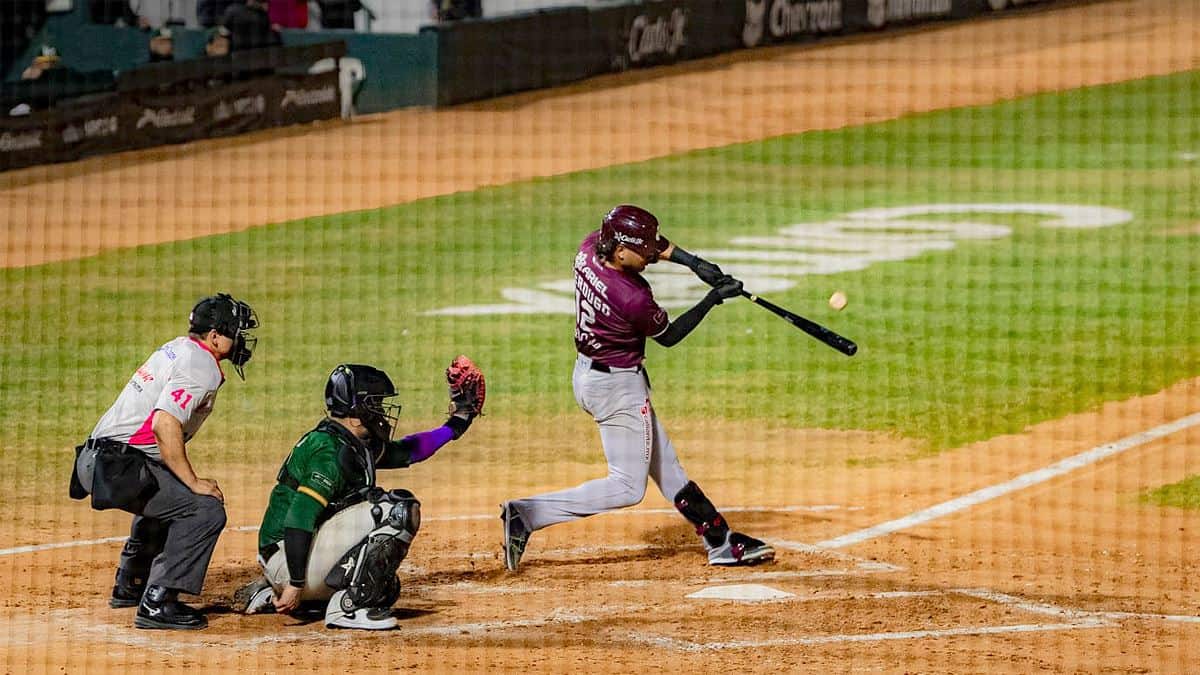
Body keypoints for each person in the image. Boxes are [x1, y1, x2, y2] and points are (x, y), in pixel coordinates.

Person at [500, 205, 775, 571]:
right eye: (642, 251)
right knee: (628, 487)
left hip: (590, 375)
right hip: (617, 390)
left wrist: (694, 264)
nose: (650, 256)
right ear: (620, 251)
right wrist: (712, 298)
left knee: (666, 465)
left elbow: (653, 245)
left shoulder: (588, 249)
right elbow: (671, 336)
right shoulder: (632, 297)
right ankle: (527, 514)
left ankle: (719, 540)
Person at [233, 358, 486, 630]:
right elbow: (299, 518)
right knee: (398, 510)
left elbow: (409, 451)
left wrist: (457, 422)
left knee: (385, 587)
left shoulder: (348, 441)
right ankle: (347, 610)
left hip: (287, 557)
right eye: (375, 405)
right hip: (289, 559)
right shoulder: (329, 452)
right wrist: (295, 584)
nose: (381, 412)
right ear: (355, 412)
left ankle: (274, 594)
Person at [71, 294, 258, 630]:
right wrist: (194, 482)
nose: (241, 340)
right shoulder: (202, 367)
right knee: (203, 509)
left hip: (96, 460)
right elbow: (164, 424)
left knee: (170, 495)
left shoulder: (178, 348)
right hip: (117, 467)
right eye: (235, 332)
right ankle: (158, 603)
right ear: (214, 336)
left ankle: (131, 583)